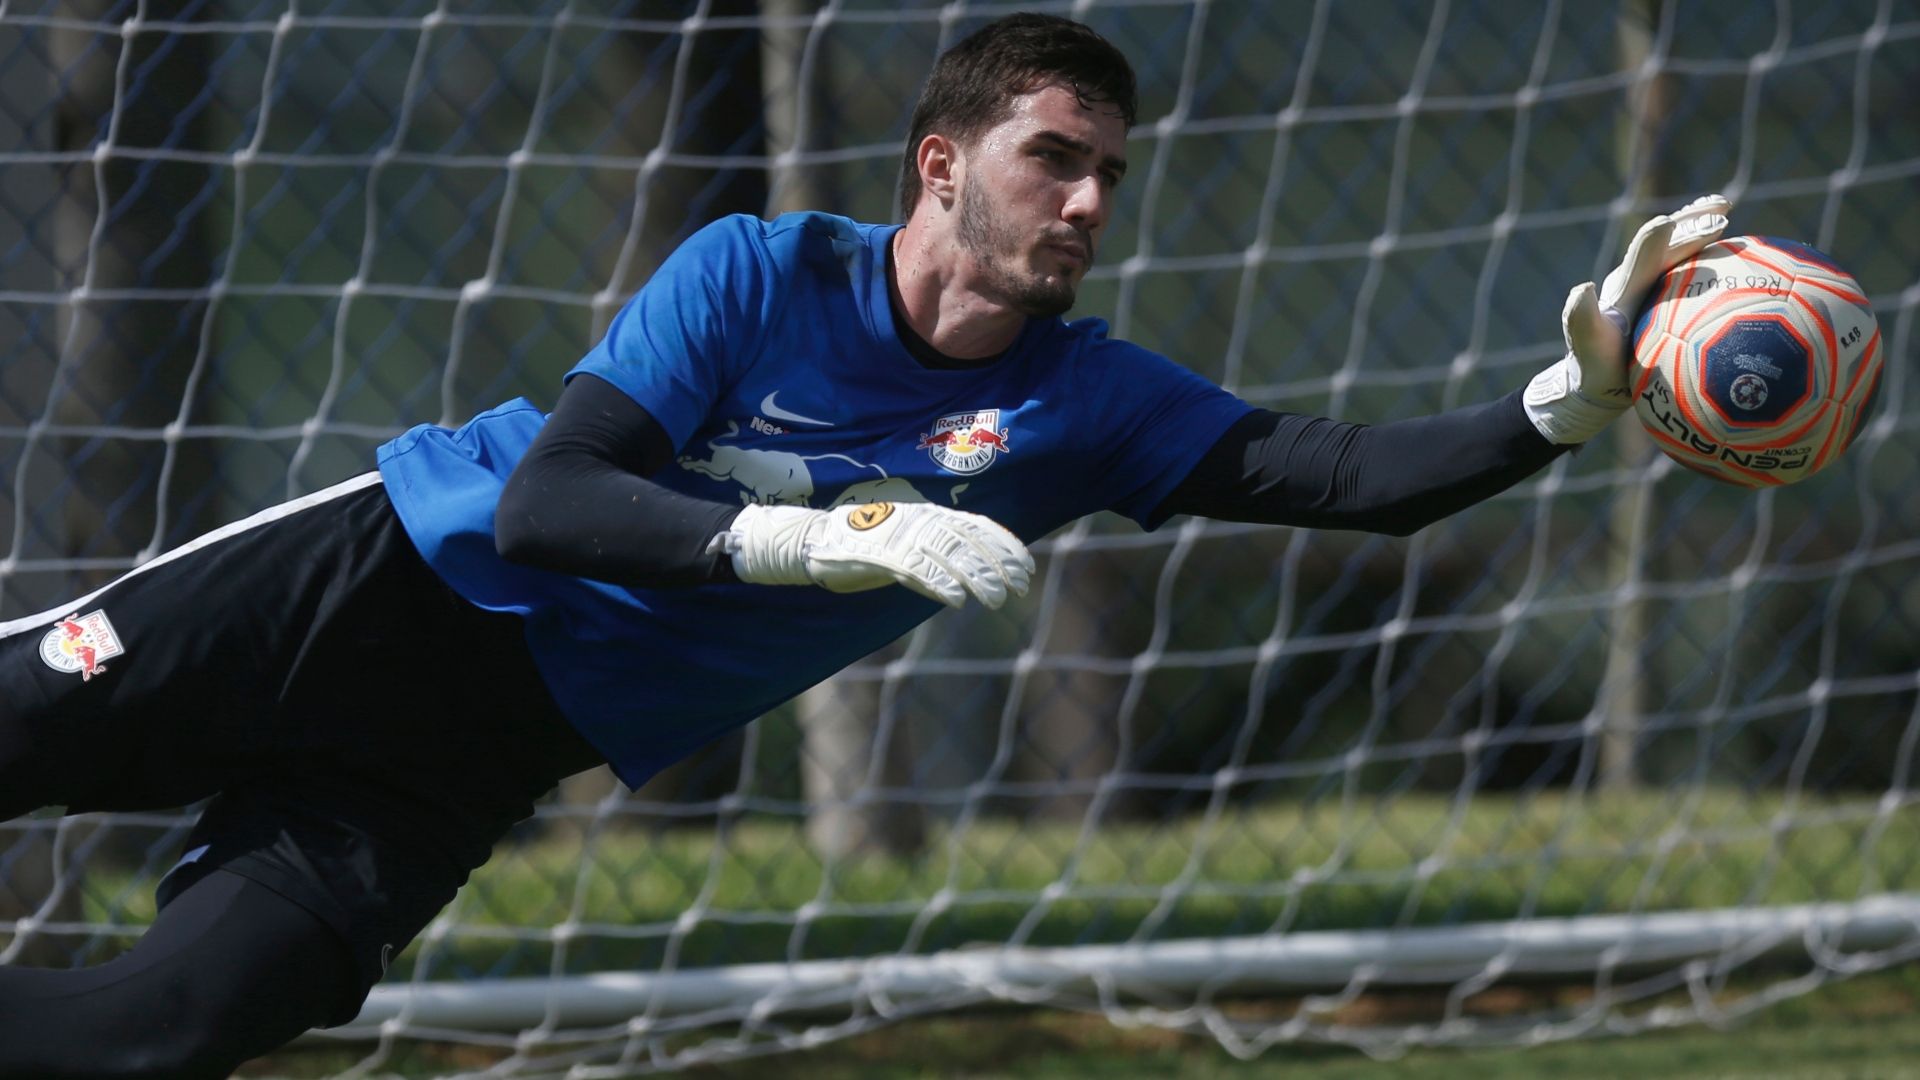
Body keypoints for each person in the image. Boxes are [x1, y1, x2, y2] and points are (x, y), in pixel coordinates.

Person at [0, 12, 1729, 1077]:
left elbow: (1346, 474)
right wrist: (829, 543)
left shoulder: (1089, 402)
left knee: (171, 1028)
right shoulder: (762, 274)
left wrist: (1555, 408)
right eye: (1054, 158)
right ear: (939, 164)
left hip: (473, 755)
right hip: (374, 590)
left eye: (1109, 174)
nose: (1087, 205)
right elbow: (555, 500)